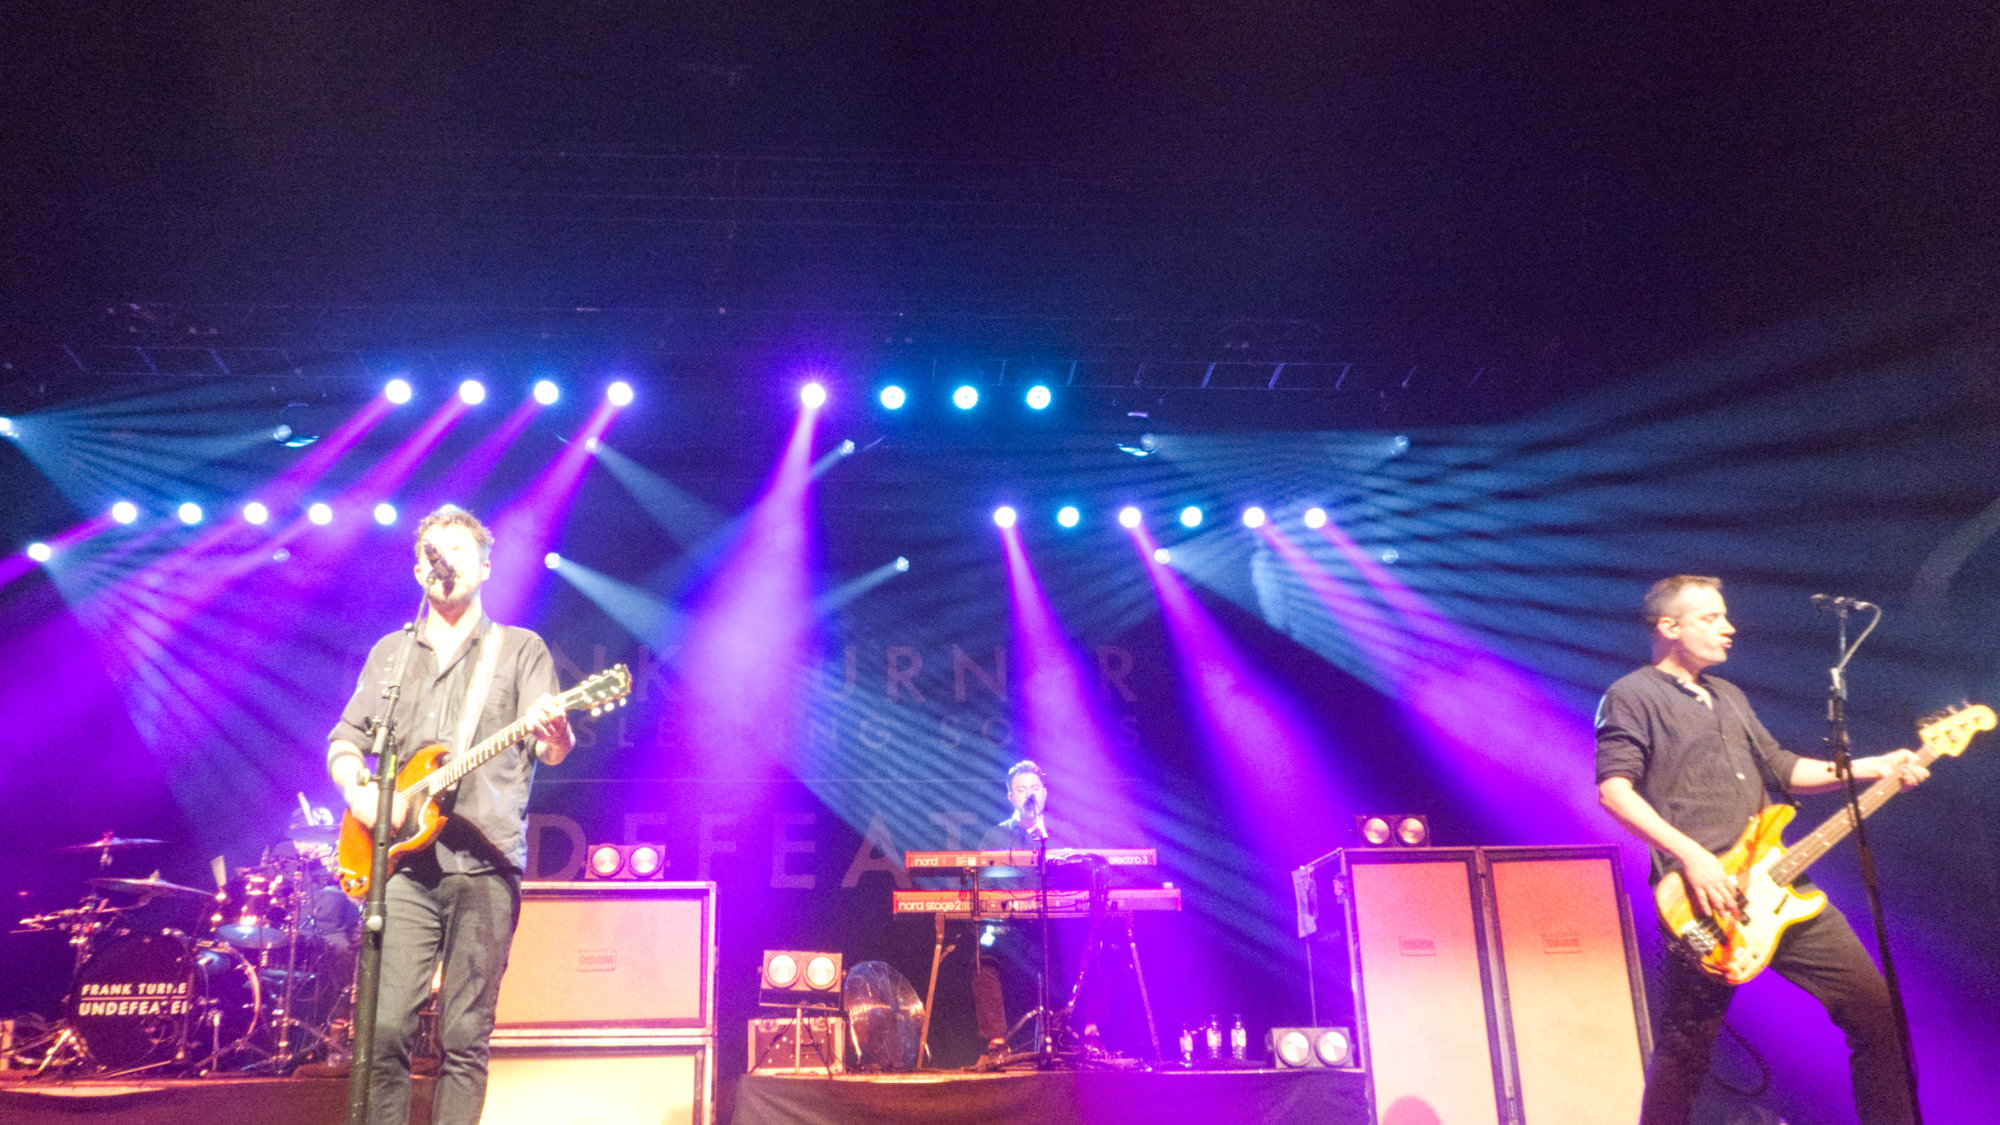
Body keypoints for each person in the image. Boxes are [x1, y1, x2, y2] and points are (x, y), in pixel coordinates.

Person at [1595, 575, 1927, 1125]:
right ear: (1668, 627)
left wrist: (1878, 765)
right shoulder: (1633, 694)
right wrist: (1693, 857)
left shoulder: (1730, 696)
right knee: (1685, 1048)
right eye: (1711, 618)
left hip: (1777, 885)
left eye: (1725, 617)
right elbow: (1613, 790)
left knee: (1875, 1013)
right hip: (1704, 899)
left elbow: (1785, 769)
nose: (1729, 628)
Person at [327, 505, 572, 1125]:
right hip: (404, 867)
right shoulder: (391, 655)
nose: (447, 562)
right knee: (381, 1032)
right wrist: (360, 792)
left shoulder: (520, 650)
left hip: (484, 864)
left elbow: (550, 747)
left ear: (485, 567)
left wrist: (559, 731)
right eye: (435, 552)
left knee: (464, 1039)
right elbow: (345, 741)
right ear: (418, 569)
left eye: (460, 551)